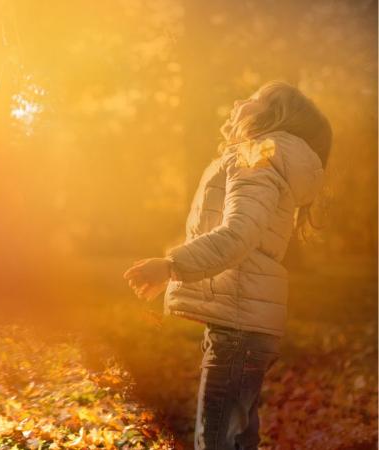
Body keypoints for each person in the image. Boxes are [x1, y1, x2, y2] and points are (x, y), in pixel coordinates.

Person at [123, 80, 331, 449]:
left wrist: (171, 265)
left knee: (217, 439)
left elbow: (237, 235)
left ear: (272, 116)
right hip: (243, 324)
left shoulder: (257, 158)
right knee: (236, 437)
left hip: (239, 329)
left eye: (251, 99)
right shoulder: (264, 160)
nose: (237, 101)